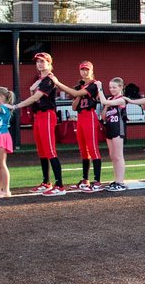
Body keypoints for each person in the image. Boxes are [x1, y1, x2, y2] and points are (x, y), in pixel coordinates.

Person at [53, 60, 104, 191]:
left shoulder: (93, 85)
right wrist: (79, 93)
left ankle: (97, 181)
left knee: (93, 148)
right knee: (83, 149)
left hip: (90, 116)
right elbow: (74, 106)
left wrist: (58, 83)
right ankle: (85, 179)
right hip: (80, 117)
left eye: (87, 69)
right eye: (82, 69)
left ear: (91, 71)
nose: (84, 72)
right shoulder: (80, 86)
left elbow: (76, 94)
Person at [25, 52, 64, 196]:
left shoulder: (49, 80)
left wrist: (17, 105)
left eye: (42, 61)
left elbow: (36, 97)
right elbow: (33, 96)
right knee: (41, 150)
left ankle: (59, 185)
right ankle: (46, 182)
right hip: (38, 116)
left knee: (50, 150)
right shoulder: (40, 79)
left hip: (47, 115)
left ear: (49, 63)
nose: (39, 64)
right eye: (38, 62)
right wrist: (31, 88)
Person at [97, 78, 130, 190]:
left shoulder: (122, 99)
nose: (111, 89)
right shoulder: (110, 99)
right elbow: (103, 116)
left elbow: (104, 101)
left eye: (114, 87)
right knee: (113, 156)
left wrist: (99, 89)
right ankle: (116, 180)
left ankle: (120, 182)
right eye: (110, 87)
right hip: (109, 128)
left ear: (121, 87)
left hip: (118, 128)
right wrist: (106, 106)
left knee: (118, 155)